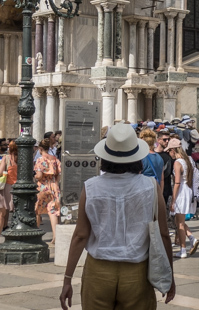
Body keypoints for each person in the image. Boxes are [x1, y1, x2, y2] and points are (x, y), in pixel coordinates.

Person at [59, 123, 175, 308]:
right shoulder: (151, 186)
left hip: (98, 271)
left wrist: (67, 279)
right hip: (137, 272)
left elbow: (81, 235)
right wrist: (169, 277)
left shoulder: (91, 187)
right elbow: (163, 235)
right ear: (137, 157)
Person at [167, 139, 196, 257]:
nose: (169, 153)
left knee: (179, 223)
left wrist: (173, 200)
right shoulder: (187, 160)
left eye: (169, 150)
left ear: (173, 150)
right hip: (187, 190)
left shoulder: (177, 162)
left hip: (181, 192)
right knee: (180, 221)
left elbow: (177, 182)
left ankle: (183, 249)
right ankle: (191, 238)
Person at [35, 137, 62, 242]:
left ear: (40, 149)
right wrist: (55, 182)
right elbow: (59, 173)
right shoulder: (54, 159)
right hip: (53, 186)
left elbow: (39, 175)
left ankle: (36, 234)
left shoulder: (40, 160)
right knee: (53, 211)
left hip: (42, 186)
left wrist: (35, 177)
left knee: (37, 210)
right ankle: (55, 236)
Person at [0, 140, 17, 244]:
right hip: (18, 188)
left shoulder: (6, 158)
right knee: (17, 213)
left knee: (0, 213)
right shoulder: (22, 159)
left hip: (6, 187)